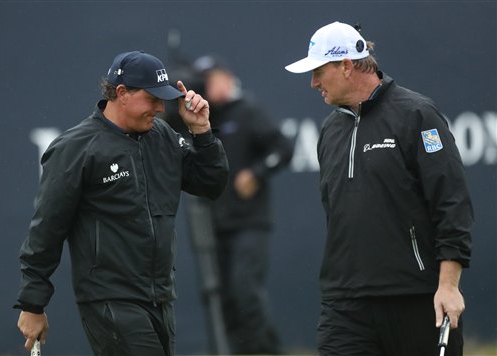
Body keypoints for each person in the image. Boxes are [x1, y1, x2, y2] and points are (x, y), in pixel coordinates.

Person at [15, 50, 229, 356]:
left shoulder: (163, 136)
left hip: (161, 297)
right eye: (152, 98)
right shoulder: (76, 148)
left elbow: (211, 184)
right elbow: (46, 229)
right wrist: (32, 304)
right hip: (109, 299)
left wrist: (202, 133)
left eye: (163, 99)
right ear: (121, 93)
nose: (159, 108)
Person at [285, 22, 473, 356]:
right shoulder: (331, 130)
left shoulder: (417, 114)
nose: (313, 83)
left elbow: (451, 202)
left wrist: (448, 286)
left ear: (346, 66)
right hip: (345, 304)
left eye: (318, 72)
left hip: (415, 297)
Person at [188, 55, 293, 354]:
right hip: (217, 224)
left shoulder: (248, 111)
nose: (210, 86)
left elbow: (283, 148)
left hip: (249, 222)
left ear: (227, 78)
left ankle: (266, 352)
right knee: (225, 299)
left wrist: (256, 174)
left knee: (245, 290)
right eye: (204, 82)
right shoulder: (206, 118)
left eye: (213, 79)